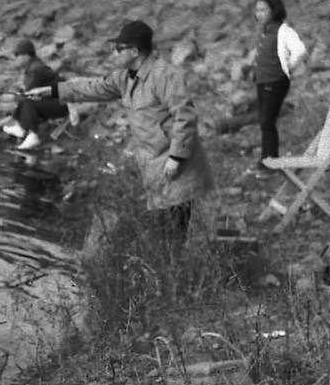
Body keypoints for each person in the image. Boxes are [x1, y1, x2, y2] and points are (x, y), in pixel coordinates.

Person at [28, 20, 213, 239]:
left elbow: (185, 116)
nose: (115, 53)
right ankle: (164, 267)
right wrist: (53, 91)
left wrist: (176, 156)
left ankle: (174, 268)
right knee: (164, 230)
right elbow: (92, 87)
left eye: (119, 48)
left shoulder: (165, 75)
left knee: (173, 228)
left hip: (177, 165)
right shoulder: (124, 78)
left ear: (134, 51)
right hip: (154, 164)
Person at [250, 0, 306, 172]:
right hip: (262, 80)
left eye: (263, 10)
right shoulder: (264, 31)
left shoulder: (283, 30)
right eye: (257, 10)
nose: (259, 14)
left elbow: (299, 50)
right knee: (264, 121)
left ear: (274, 11)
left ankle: (271, 160)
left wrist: (287, 66)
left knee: (267, 120)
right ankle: (266, 159)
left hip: (275, 81)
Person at [0, 39, 79, 151]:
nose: (15, 58)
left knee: (28, 101)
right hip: (53, 101)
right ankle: (21, 128)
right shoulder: (33, 66)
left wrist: (15, 96)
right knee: (27, 99)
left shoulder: (36, 69)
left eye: (17, 55)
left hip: (63, 106)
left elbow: (30, 93)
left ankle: (33, 135)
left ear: (26, 55)